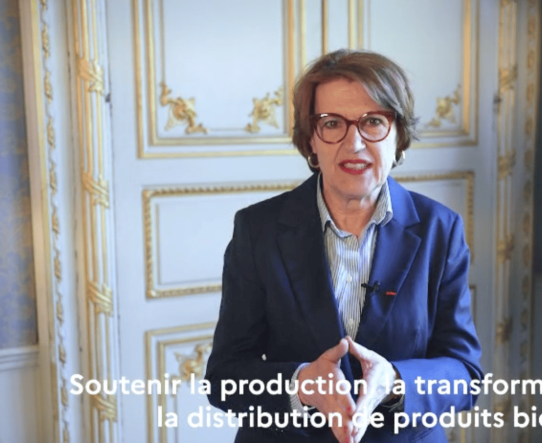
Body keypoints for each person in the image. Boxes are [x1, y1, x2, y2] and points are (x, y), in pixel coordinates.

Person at [205, 49, 482, 443]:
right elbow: (224, 378)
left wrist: (396, 382)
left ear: (399, 136)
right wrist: (302, 385)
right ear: (311, 141)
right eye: (332, 123)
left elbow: (464, 374)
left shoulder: (441, 229)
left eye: (373, 122)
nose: (354, 143)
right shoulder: (257, 229)